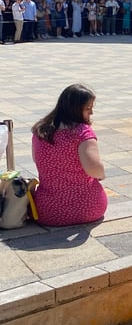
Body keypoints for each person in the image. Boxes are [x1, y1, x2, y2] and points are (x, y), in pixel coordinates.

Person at [31, 84, 107, 227]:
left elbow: (36, 160)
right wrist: (101, 175)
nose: (91, 113)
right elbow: (94, 169)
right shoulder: (82, 132)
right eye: (88, 109)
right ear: (75, 110)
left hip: (48, 211)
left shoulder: (40, 130)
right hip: (87, 208)